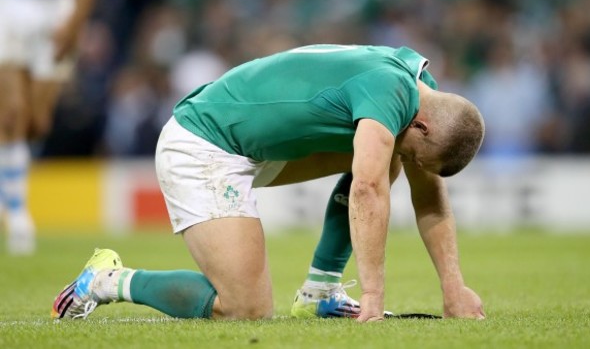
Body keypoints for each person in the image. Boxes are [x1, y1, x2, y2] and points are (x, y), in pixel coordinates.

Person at [52, 44, 486, 322]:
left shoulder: (417, 88)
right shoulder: (390, 94)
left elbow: (429, 195)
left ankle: (320, 293)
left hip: (254, 145)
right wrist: (374, 293)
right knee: (245, 309)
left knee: (382, 153)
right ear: (425, 126)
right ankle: (108, 279)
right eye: (417, 154)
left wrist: (454, 288)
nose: (412, 161)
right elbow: (367, 190)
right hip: (203, 142)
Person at [0, 0, 108, 254]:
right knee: (10, 115)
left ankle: (10, 187)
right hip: (5, 2)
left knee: (36, 122)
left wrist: (77, 18)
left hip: (50, 7)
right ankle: (17, 216)